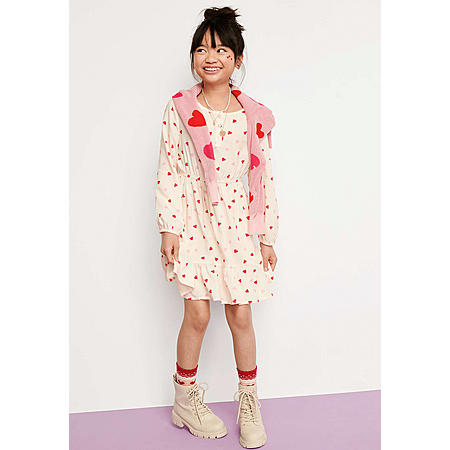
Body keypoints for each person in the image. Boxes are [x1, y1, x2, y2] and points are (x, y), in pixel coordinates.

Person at [155, 6, 279, 448]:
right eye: (202, 49)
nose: (211, 57)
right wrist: (170, 227)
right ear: (193, 57)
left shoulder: (254, 114)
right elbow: (170, 167)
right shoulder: (180, 107)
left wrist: (266, 236)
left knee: (240, 313)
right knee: (198, 313)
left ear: (237, 60)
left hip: (238, 224)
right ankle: (185, 399)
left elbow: (262, 177)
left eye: (222, 49)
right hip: (193, 220)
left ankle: (249, 401)